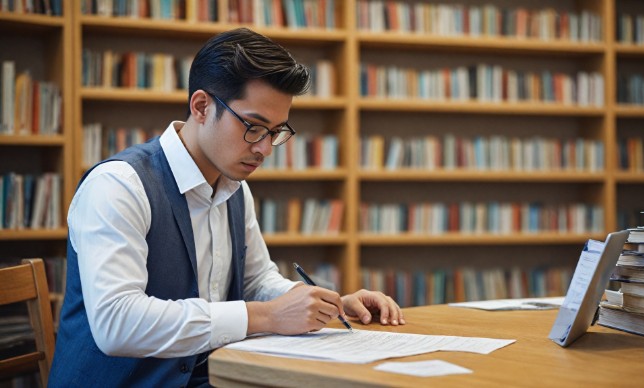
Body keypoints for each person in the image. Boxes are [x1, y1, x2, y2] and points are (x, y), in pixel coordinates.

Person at [48, 28, 404, 387]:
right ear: (202, 107)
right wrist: (264, 317)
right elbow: (117, 324)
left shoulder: (234, 187)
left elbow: (256, 281)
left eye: (277, 131)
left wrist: (326, 306)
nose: (264, 149)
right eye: (254, 127)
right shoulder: (119, 185)